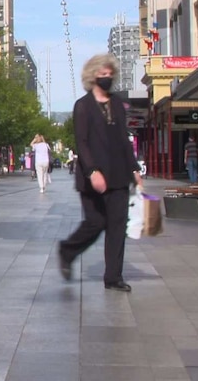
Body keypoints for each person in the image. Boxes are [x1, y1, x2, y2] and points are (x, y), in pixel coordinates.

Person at [58, 54, 143, 293]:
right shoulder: (83, 106)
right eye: (102, 74)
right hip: (91, 177)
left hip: (118, 173)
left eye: (109, 74)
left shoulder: (117, 104)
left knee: (117, 225)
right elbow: (82, 142)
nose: (107, 78)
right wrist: (93, 170)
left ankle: (113, 276)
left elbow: (124, 140)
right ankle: (67, 250)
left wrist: (135, 168)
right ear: (93, 76)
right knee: (96, 222)